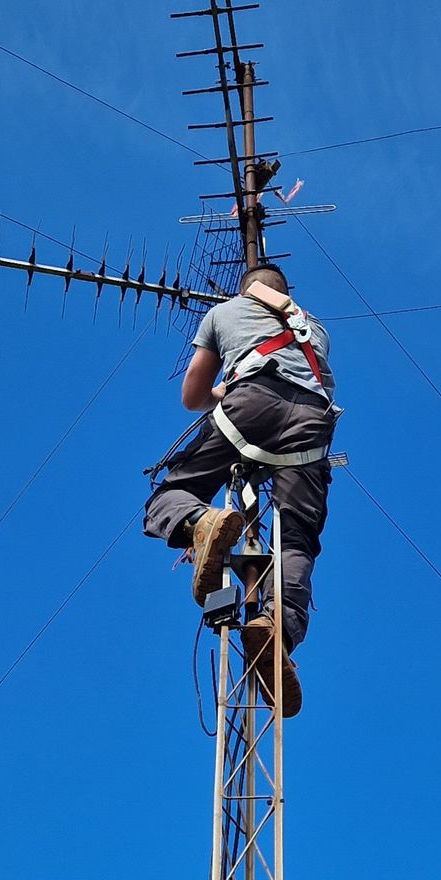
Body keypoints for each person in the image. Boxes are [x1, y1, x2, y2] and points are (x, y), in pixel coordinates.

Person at [143, 262, 336, 706]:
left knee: (169, 496)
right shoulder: (315, 329)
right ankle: (277, 632)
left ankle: (200, 522)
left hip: (250, 404)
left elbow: (192, 396)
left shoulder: (224, 312)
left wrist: (225, 387)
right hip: (312, 426)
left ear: (245, 290)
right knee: (297, 542)